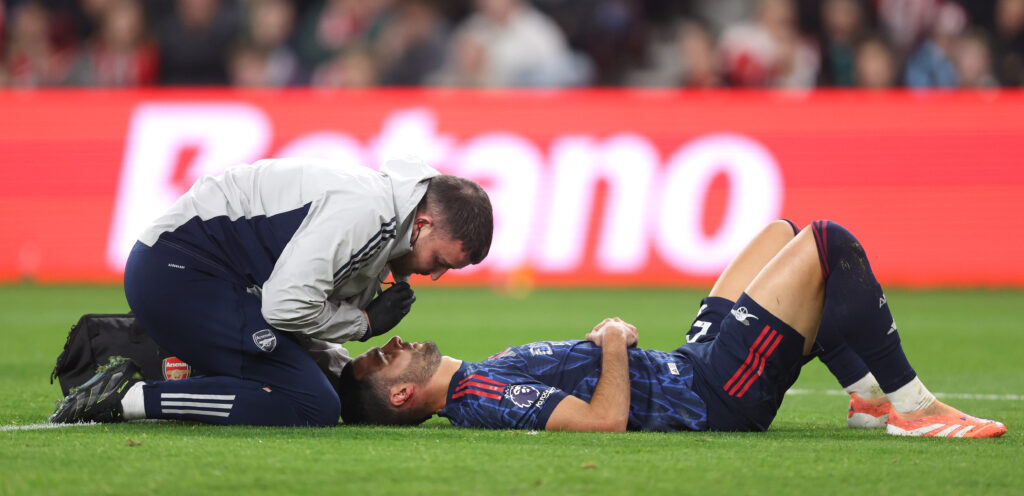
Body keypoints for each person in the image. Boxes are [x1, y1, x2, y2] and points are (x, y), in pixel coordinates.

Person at [338, 219, 1005, 438]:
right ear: (402, 397)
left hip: (689, 362)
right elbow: (602, 424)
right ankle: (911, 405)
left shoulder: (475, 378)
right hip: (714, 392)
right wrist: (609, 342)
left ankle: (864, 397)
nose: (390, 346)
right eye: (382, 362)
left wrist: (612, 347)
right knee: (827, 244)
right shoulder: (477, 397)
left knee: (779, 232)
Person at [50, 156, 493, 427]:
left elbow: (297, 310)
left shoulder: (388, 208)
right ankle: (127, 397)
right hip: (180, 271)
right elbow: (284, 306)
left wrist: (340, 358)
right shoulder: (369, 213)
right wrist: (365, 323)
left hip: (194, 274)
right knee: (311, 405)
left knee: (314, 383)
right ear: (424, 225)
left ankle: (162, 350)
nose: (434, 275)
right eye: (440, 262)